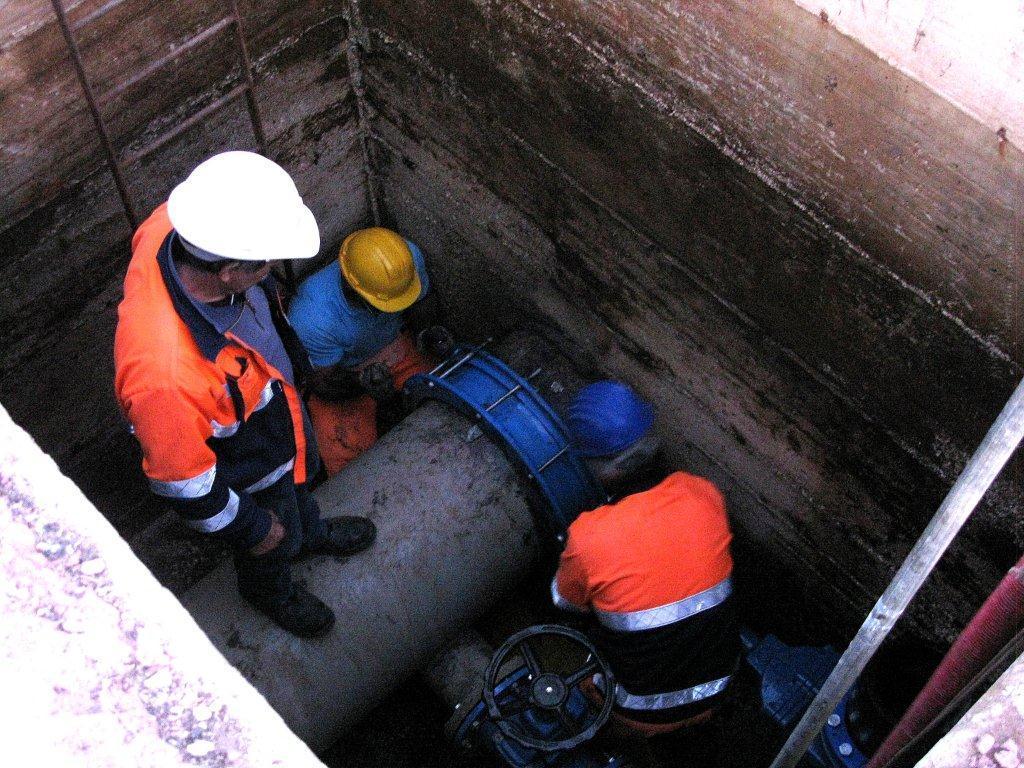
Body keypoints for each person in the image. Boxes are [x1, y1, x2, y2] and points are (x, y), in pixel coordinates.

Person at [114, 151, 376, 638]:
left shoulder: (175, 225)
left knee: (299, 486)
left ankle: (309, 531)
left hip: (279, 421)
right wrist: (254, 529)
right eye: (266, 262)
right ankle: (270, 589)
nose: (274, 267)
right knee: (273, 536)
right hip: (250, 469)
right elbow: (182, 482)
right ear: (230, 273)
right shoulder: (167, 378)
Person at [551, 381, 740, 736]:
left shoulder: (588, 537)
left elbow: (564, 602)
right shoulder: (702, 494)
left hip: (640, 716)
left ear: (604, 469)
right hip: (722, 686)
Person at [287, 226, 452, 476]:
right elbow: (323, 383)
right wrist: (363, 384)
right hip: (346, 374)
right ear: (353, 288)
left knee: (451, 398)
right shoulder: (312, 317)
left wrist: (428, 332)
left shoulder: (405, 263)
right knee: (347, 462)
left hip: (401, 348)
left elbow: (423, 301)